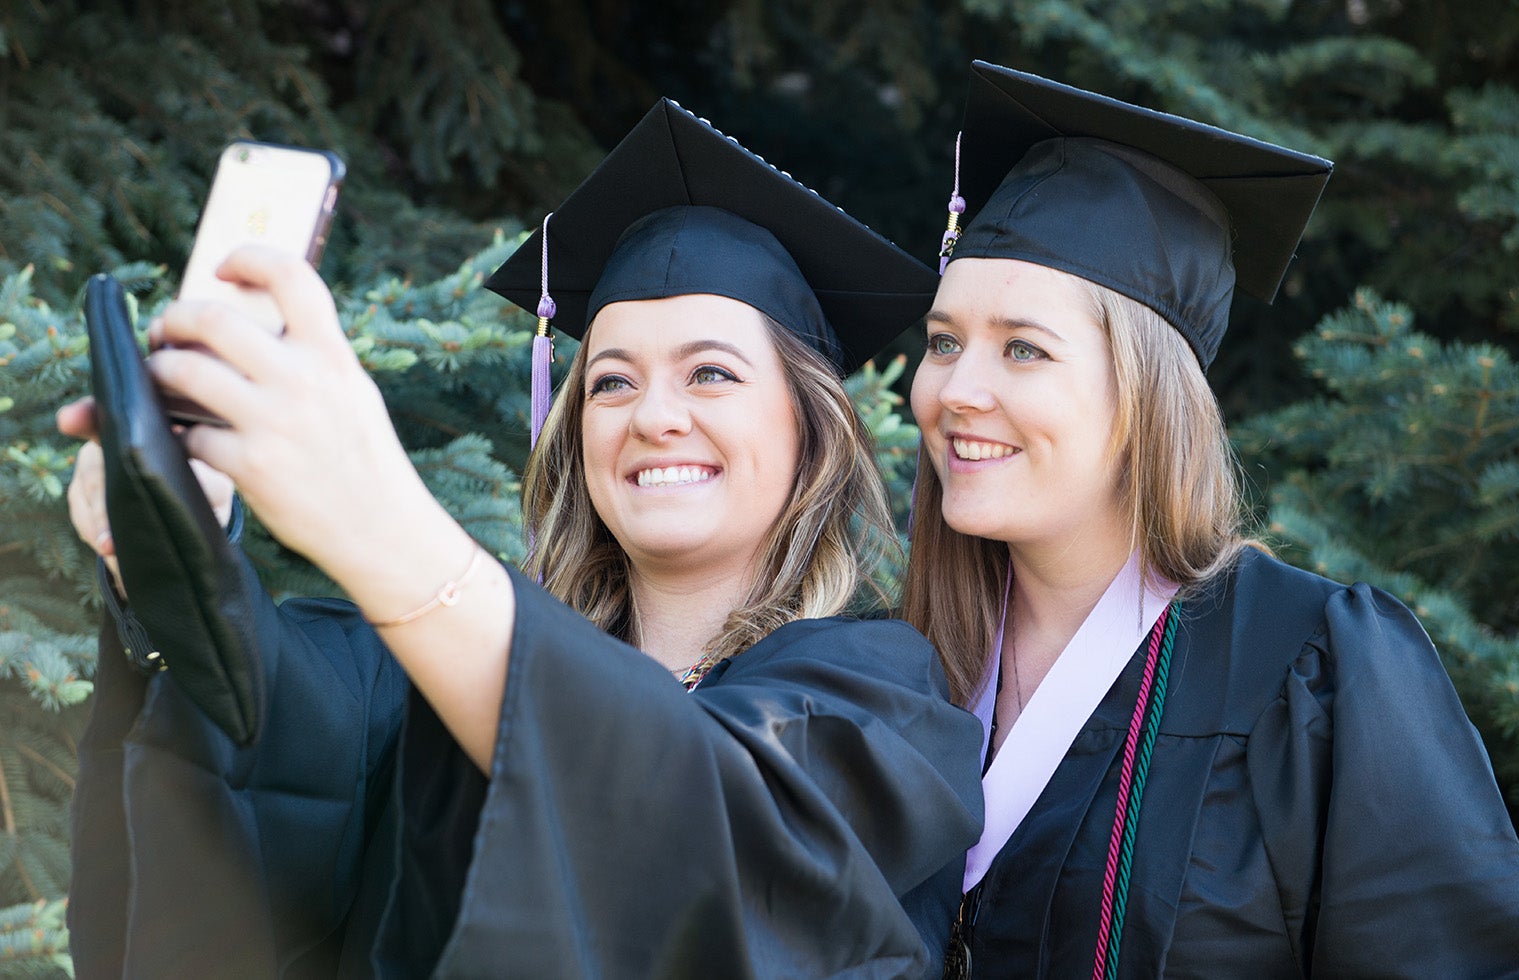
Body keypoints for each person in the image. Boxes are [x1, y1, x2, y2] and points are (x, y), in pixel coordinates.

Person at [66, 101, 981, 976]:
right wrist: (160, 550)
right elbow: (270, 722)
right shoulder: (433, 656)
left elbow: (716, 851)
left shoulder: (881, 701)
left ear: (807, 427)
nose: (654, 416)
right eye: (612, 383)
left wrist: (375, 514)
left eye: (710, 373)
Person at [905, 61, 1519, 976]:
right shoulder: (902, 667)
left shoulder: (1314, 665)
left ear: (1145, 395)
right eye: (943, 342)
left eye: (1024, 349)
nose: (958, 390)